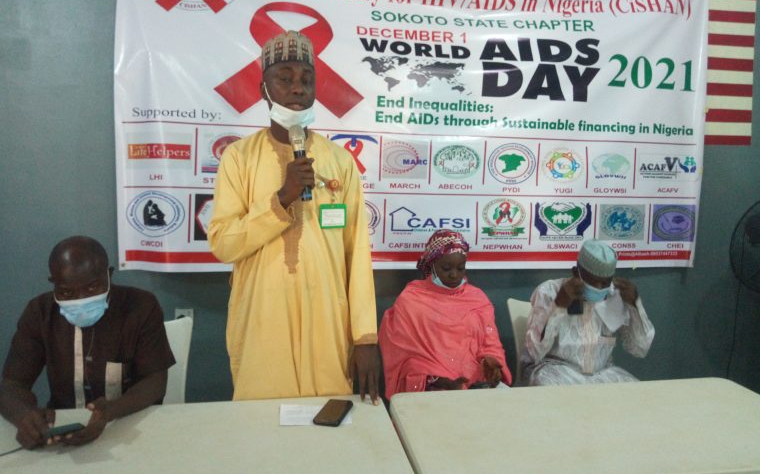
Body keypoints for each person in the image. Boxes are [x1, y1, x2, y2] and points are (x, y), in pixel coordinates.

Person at [208, 30, 379, 402]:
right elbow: (223, 244)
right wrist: (282, 198)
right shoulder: (238, 157)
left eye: (306, 79)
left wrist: (365, 337)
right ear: (263, 88)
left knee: (328, 426)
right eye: (284, 78)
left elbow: (358, 254)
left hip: (328, 319)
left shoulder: (339, 161)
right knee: (263, 430)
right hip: (262, 315)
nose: (297, 88)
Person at [0, 236, 174, 449]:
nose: (80, 298)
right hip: (62, 431)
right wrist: (24, 416)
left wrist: (110, 411)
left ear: (108, 276)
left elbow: (155, 381)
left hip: (130, 424)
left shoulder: (141, 306)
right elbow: (12, 384)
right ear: (53, 284)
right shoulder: (39, 312)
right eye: (66, 292)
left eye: (92, 288)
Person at [379, 230, 512, 399]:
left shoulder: (477, 298)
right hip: (431, 386)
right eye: (446, 268)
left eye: (460, 268)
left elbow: (490, 339)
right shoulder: (412, 299)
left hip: (477, 383)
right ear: (432, 264)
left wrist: (491, 361)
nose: (454, 274)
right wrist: (439, 380)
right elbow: (406, 357)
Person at [521, 239, 655, 386]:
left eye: (604, 283)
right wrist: (558, 306)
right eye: (592, 282)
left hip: (601, 374)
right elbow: (534, 352)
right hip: (557, 372)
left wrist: (635, 305)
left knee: (636, 390)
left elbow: (640, 349)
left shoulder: (613, 297)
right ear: (576, 272)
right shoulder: (549, 291)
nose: (598, 287)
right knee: (548, 384)